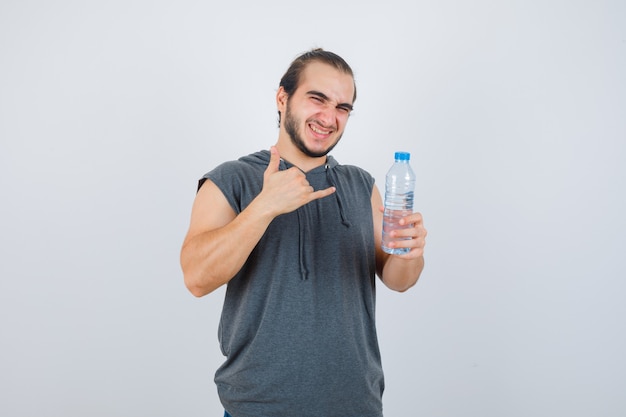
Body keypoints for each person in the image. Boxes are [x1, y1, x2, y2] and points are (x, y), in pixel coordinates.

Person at [180, 48, 427, 417]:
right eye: (317, 99)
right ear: (283, 98)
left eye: (343, 107)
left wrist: (410, 251)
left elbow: (398, 279)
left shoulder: (361, 185)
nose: (329, 117)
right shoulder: (231, 179)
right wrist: (264, 206)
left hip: (356, 406)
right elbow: (196, 278)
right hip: (258, 408)